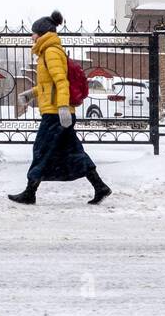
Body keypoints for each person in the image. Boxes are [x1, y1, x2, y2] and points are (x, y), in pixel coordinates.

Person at [9, 11, 112, 207]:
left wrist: (63, 107)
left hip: (56, 114)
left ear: (42, 33)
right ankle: (100, 187)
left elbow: (61, 82)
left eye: (34, 33)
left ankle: (30, 193)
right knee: (74, 152)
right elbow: (50, 85)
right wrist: (31, 94)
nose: (32, 36)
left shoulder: (51, 52)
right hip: (57, 112)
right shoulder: (48, 52)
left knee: (41, 150)